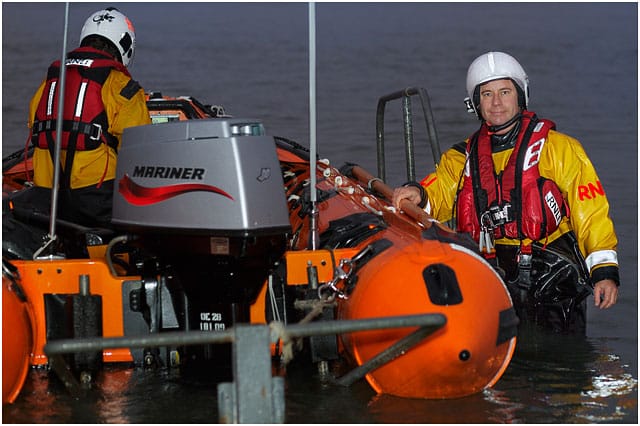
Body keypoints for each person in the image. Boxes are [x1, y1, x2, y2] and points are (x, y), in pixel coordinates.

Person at [392, 51, 619, 334]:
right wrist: (417, 193)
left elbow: (591, 212)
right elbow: (437, 193)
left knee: (560, 359)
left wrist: (604, 272)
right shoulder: (461, 157)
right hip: (491, 273)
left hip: (552, 277)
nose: (496, 102)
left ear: (520, 95)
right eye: (486, 94)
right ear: (474, 103)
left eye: (504, 91)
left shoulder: (560, 149)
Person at [28, 7, 151, 228]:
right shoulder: (122, 87)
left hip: (46, 195)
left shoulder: (49, 82)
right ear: (125, 45)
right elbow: (139, 151)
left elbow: (34, 126)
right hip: (95, 198)